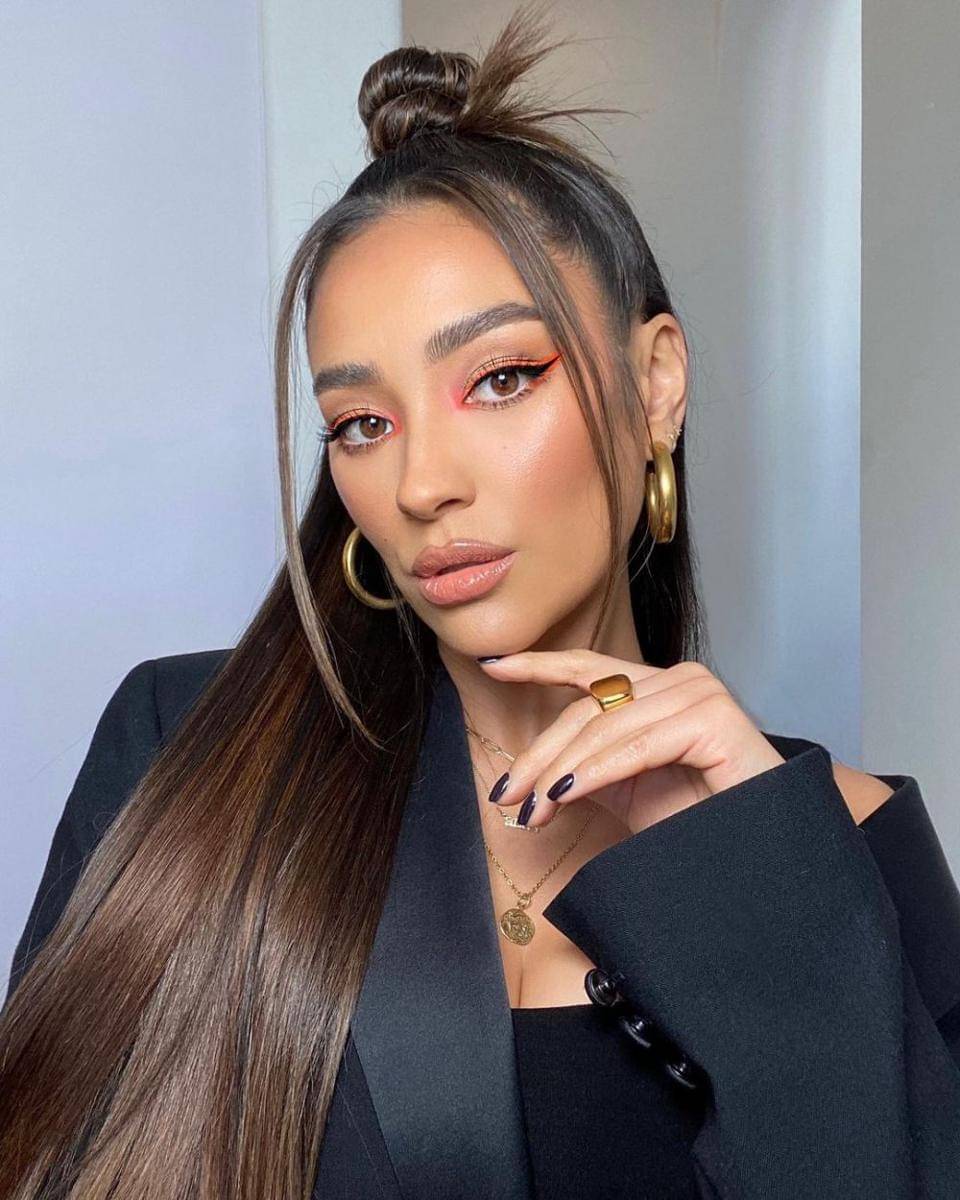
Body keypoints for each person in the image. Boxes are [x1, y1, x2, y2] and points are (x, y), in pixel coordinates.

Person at [3, 5, 959, 1197]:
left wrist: (757, 879)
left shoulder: (848, 857)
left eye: (501, 379)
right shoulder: (189, 753)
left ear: (657, 382)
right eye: (363, 423)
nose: (420, 485)